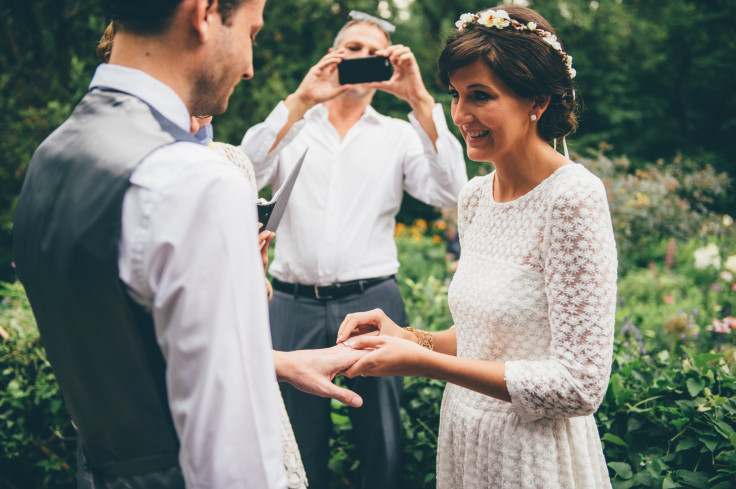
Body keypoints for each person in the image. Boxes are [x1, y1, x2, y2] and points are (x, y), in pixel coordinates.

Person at [12, 1, 366, 488]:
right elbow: (234, 451)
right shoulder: (192, 182)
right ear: (204, 14)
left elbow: (133, 355)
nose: (249, 67)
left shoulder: (51, 157)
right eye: (252, 32)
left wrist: (276, 363)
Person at [336, 6, 618, 489]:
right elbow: (480, 337)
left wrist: (425, 365)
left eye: (481, 96)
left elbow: (580, 386)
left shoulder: (572, 198)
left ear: (538, 101)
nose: (462, 115)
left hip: (534, 458)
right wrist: (408, 337)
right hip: (467, 441)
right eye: (456, 95)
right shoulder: (474, 197)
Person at [241, 10, 468, 488]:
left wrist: (421, 100)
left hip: (373, 303)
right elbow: (248, 172)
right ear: (334, 56)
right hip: (291, 304)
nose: (364, 58)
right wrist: (301, 100)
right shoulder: (296, 127)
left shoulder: (399, 134)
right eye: (354, 49)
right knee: (297, 443)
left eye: (375, 53)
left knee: (382, 440)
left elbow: (451, 190)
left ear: (388, 66)